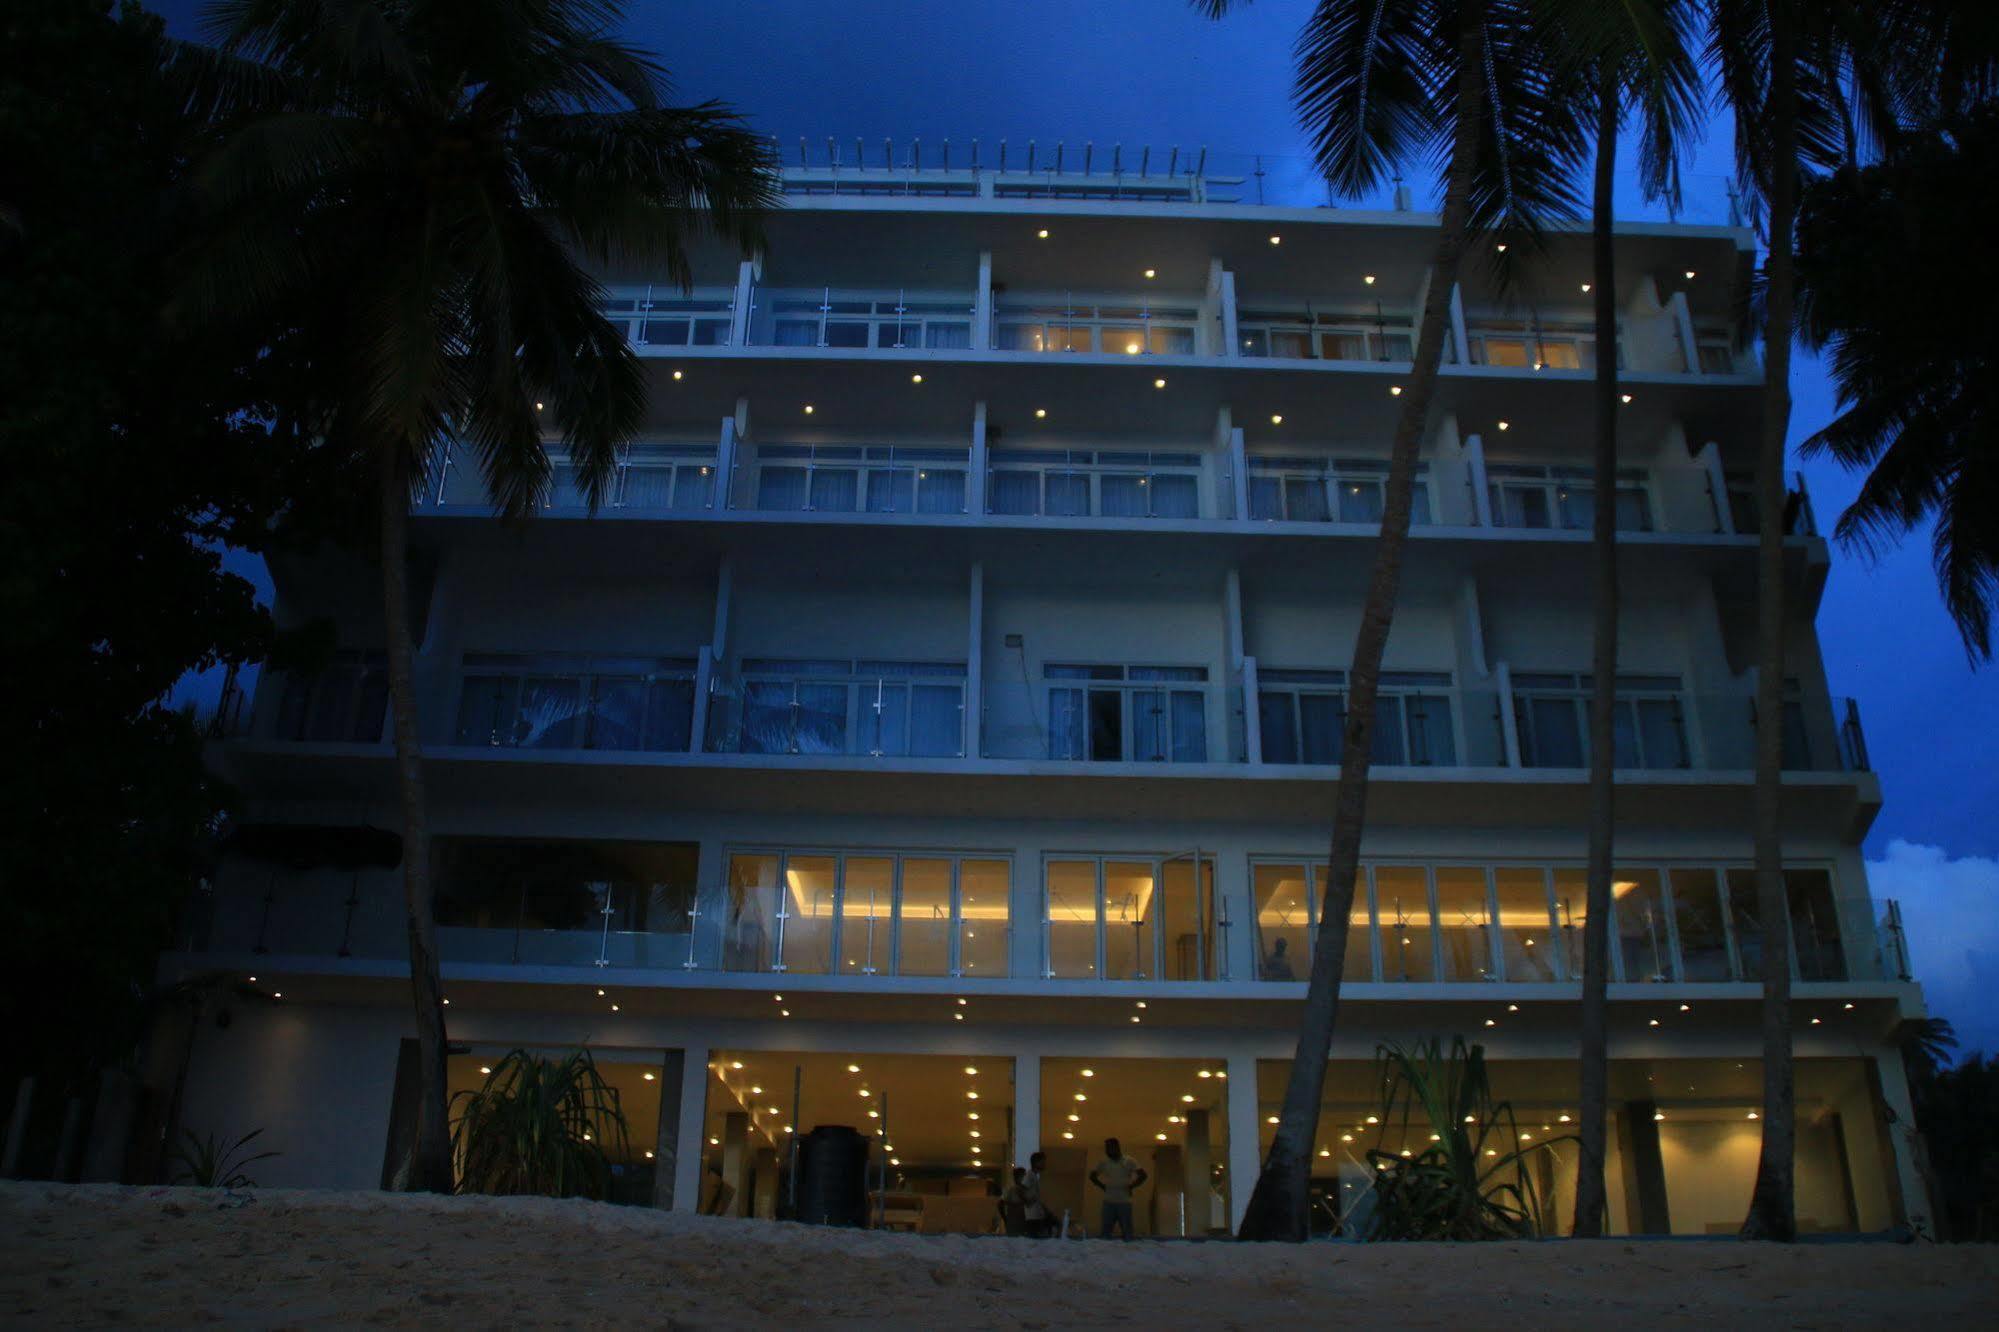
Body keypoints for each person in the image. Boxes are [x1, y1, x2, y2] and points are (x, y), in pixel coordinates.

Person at [1088, 1137, 1147, 1239]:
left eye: (1109, 1148)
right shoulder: (1104, 1162)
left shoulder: (1129, 1161)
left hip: (1124, 1201)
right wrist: (1103, 1186)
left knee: (1127, 1232)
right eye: (1106, 1148)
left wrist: (1131, 1186)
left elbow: (1143, 1175)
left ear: (1117, 1147)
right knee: (1105, 1232)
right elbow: (1092, 1176)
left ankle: (1128, 1251)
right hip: (1108, 1201)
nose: (1107, 1150)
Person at [1022, 1151, 1050, 1237]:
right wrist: (1028, 1202)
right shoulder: (1029, 1175)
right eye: (1043, 1162)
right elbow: (1021, 1189)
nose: (1044, 1164)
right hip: (1032, 1217)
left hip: (1037, 1216)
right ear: (1036, 1163)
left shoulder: (1034, 1176)